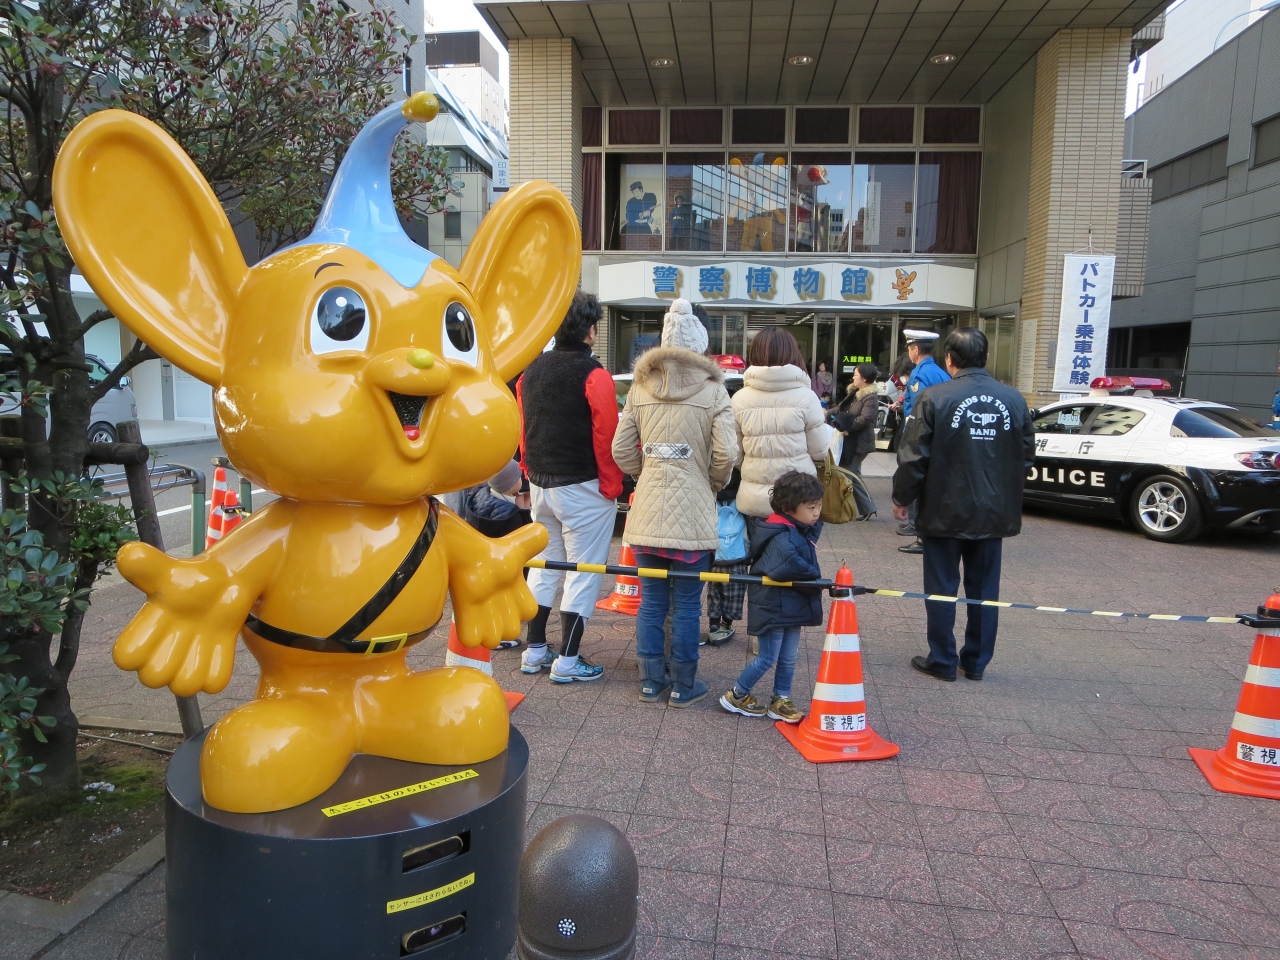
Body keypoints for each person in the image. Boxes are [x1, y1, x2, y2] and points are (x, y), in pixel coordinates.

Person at [891, 327, 1034, 682]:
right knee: (985, 591)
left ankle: (942, 659)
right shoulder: (1014, 400)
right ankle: (976, 661)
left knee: (941, 586)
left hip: (943, 508)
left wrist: (902, 497)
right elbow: (1026, 457)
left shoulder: (935, 397)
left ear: (950, 359)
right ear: (984, 358)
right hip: (993, 511)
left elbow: (914, 456)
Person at [612, 298, 736, 706]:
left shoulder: (641, 386)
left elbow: (621, 448)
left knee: (650, 602)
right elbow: (726, 455)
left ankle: (650, 680)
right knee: (686, 606)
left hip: (647, 512)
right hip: (694, 515)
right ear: (700, 345)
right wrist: (711, 483)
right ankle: (684, 684)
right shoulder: (715, 390)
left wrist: (643, 474)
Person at [517, 292, 623, 683]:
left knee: (545, 567)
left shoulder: (532, 371)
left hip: (541, 483)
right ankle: (568, 660)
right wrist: (612, 486)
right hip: (583, 487)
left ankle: (535, 650)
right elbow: (605, 436)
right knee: (583, 572)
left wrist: (528, 471)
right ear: (590, 330)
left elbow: (524, 430)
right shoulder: (594, 374)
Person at [719, 470, 826, 723]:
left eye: (819, 505)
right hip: (774, 605)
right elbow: (791, 565)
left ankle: (781, 699)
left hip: (789, 603)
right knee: (768, 657)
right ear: (789, 508)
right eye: (811, 507)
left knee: (789, 657)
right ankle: (737, 694)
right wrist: (819, 581)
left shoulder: (794, 529)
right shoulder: (781, 533)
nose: (817, 512)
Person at [732, 328, 827, 522]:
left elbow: (734, 455)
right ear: (794, 353)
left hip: (754, 500)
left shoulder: (739, 399)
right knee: (798, 551)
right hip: (799, 502)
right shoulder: (808, 398)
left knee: (759, 551)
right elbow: (819, 452)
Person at [896, 330, 950, 554]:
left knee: (918, 481)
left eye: (909, 349)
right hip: (941, 435)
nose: (909, 353)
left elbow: (919, 411)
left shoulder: (919, 375)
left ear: (915, 350)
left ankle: (919, 534)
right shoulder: (942, 373)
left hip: (921, 435)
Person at [830, 363, 879, 520]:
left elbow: (865, 418)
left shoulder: (870, 397)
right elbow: (841, 409)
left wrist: (848, 428)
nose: (853, 377)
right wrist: (825, 412)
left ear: (864, 378)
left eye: (856, 374)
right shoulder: (854, 392)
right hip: (851, 441)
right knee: (852, 473)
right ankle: (867, 508)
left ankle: (844, 510)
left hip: (860, 442)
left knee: (849, 474)